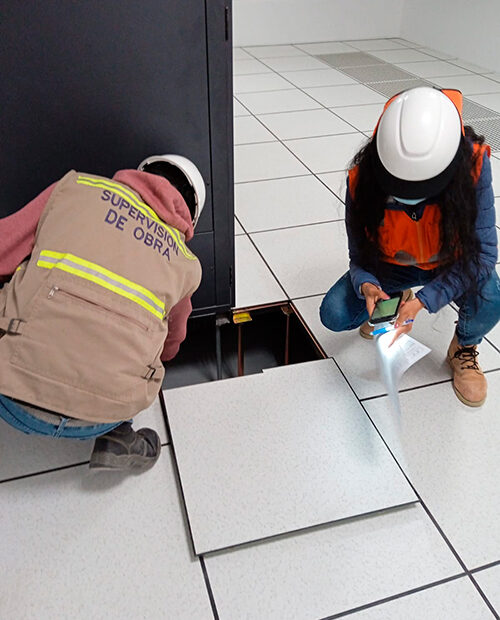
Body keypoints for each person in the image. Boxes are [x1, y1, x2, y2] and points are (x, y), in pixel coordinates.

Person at [0, 154, 204, 470]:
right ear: (190, 217)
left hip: (10, 398)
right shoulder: (186, 264)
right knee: (146, 348)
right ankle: (119, 437)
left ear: (140, 174)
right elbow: (172, 346)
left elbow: (4, 249)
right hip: (104, 416)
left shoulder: (75, 187)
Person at [320, 87, 499, 407]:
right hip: (393, 266)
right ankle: (396, 295)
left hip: (450, 264)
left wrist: (426, 300)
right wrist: (367, 285)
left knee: (491, 297)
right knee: (334, 313)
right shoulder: (362, 179)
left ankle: (464, 348)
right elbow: (359, 257)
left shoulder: (473, 166)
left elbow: (483, 257)